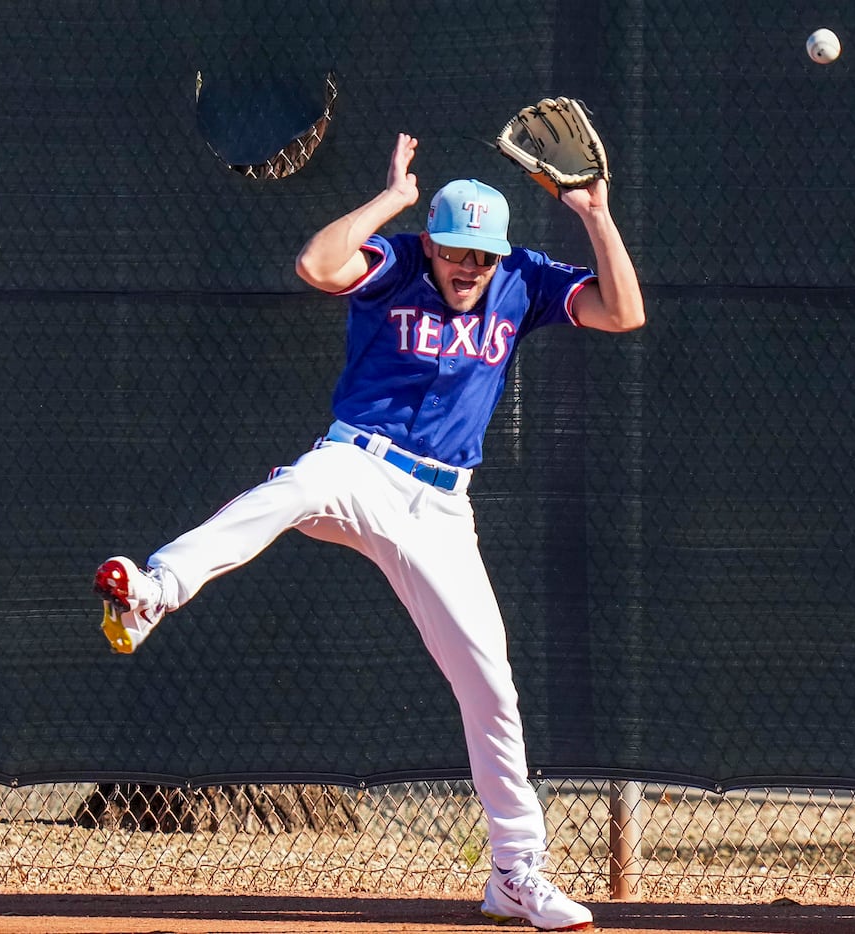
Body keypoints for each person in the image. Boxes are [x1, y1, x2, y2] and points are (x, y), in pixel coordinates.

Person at [92, 131, 644, 932]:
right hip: (360, 463)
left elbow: (622, 313)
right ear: (433, 242)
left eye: (481, 256)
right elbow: (318, 266)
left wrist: (594, 214)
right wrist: (391, 200)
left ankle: (514, 875)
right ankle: (152, 593)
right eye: (455, 250)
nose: (468, 268)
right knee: (290, 490)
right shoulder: (398, 263)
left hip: (443, 511)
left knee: (489, 685)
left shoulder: (521, 279)